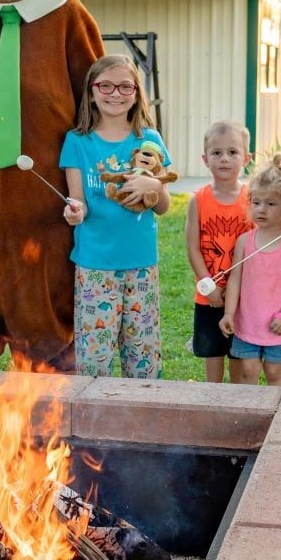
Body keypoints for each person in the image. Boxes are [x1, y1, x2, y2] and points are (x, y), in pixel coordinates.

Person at [60, 54, 173, 379]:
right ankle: (93, 422)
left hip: (141, 266)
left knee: (143, 357)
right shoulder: (77, 142)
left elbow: (163, 206)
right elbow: (77, 204)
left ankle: (143, 421)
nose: (115, 93)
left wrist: (154, 185)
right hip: (95, 267)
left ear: (137, 93)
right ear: (92, 92)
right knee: (95, 359)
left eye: (126, 86)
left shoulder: (149, 140)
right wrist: (74, 212)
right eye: (106, 85)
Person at [219, 153, 281, 388]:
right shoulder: (244, 242)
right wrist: (229, 314)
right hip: (247, 322)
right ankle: (250, 416)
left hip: (279, 324)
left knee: (274, 372)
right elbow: (235, 280)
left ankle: (275, 417)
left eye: (271, 204)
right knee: (248, 371)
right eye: (256, 202)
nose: (261, 209)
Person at [185, 120, 253, 383]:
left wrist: (236, 289)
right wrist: (208, 286)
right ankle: (212, 403)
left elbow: (255, 248)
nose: (225, 159)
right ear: (205, 159)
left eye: (233, 152)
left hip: (243, 298)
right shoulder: (198, 200)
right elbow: (193, 248)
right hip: (208, 297)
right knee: (213, 357)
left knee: (238, 356)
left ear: (246, 158)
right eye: (217, 153)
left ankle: (235, 406)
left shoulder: (252, 199)